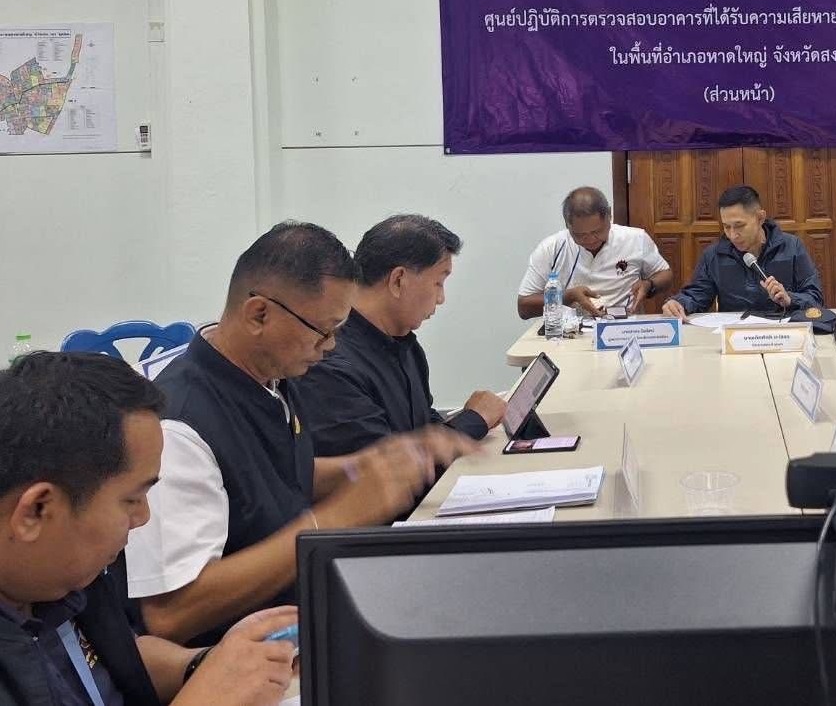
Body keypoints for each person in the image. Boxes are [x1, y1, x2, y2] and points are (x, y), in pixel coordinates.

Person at [126, 222, 474, 647]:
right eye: (323, 331)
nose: (331, 346)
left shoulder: (268, 377)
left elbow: (271, 480)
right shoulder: (177, 429)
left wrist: (364, 466)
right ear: (259, 314)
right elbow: (170, 614)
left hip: (312, 608)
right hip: (249, 655)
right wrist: (332, 519)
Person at [0, 351, 297, 706]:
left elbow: (118, 656)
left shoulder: (58, 577)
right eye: (131, 499)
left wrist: (208, 666)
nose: (143, 517)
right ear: (37, 510)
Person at [297, 214, 507, 457]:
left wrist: (465, 422)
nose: (441, 298)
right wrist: (474, 420)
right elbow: (384, 466)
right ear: (398, 280)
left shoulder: (405, 345)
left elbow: (422, 426)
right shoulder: (331, 364)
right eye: (438, 283)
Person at [662, 186, 824, 321]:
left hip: (783, 335)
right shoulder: (714, 255)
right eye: (726, 227)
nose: (733, 235)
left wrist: (789, 299)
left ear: (760, 218)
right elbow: (697, 296)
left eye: (739, 226)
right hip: (734, 337)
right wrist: (679, 304)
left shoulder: (791, 247)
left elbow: (815, 299)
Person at [516, 187, 673, 319]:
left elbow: (665, 274)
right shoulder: (551, 248)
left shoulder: (635, 239)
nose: (590, 240)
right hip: (571, 332)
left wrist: (649, 285)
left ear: (609, 215)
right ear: (567, 225)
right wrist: (566, 297)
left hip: (623, 328)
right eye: (580, 235)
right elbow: (524, 307)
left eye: (597, 232)